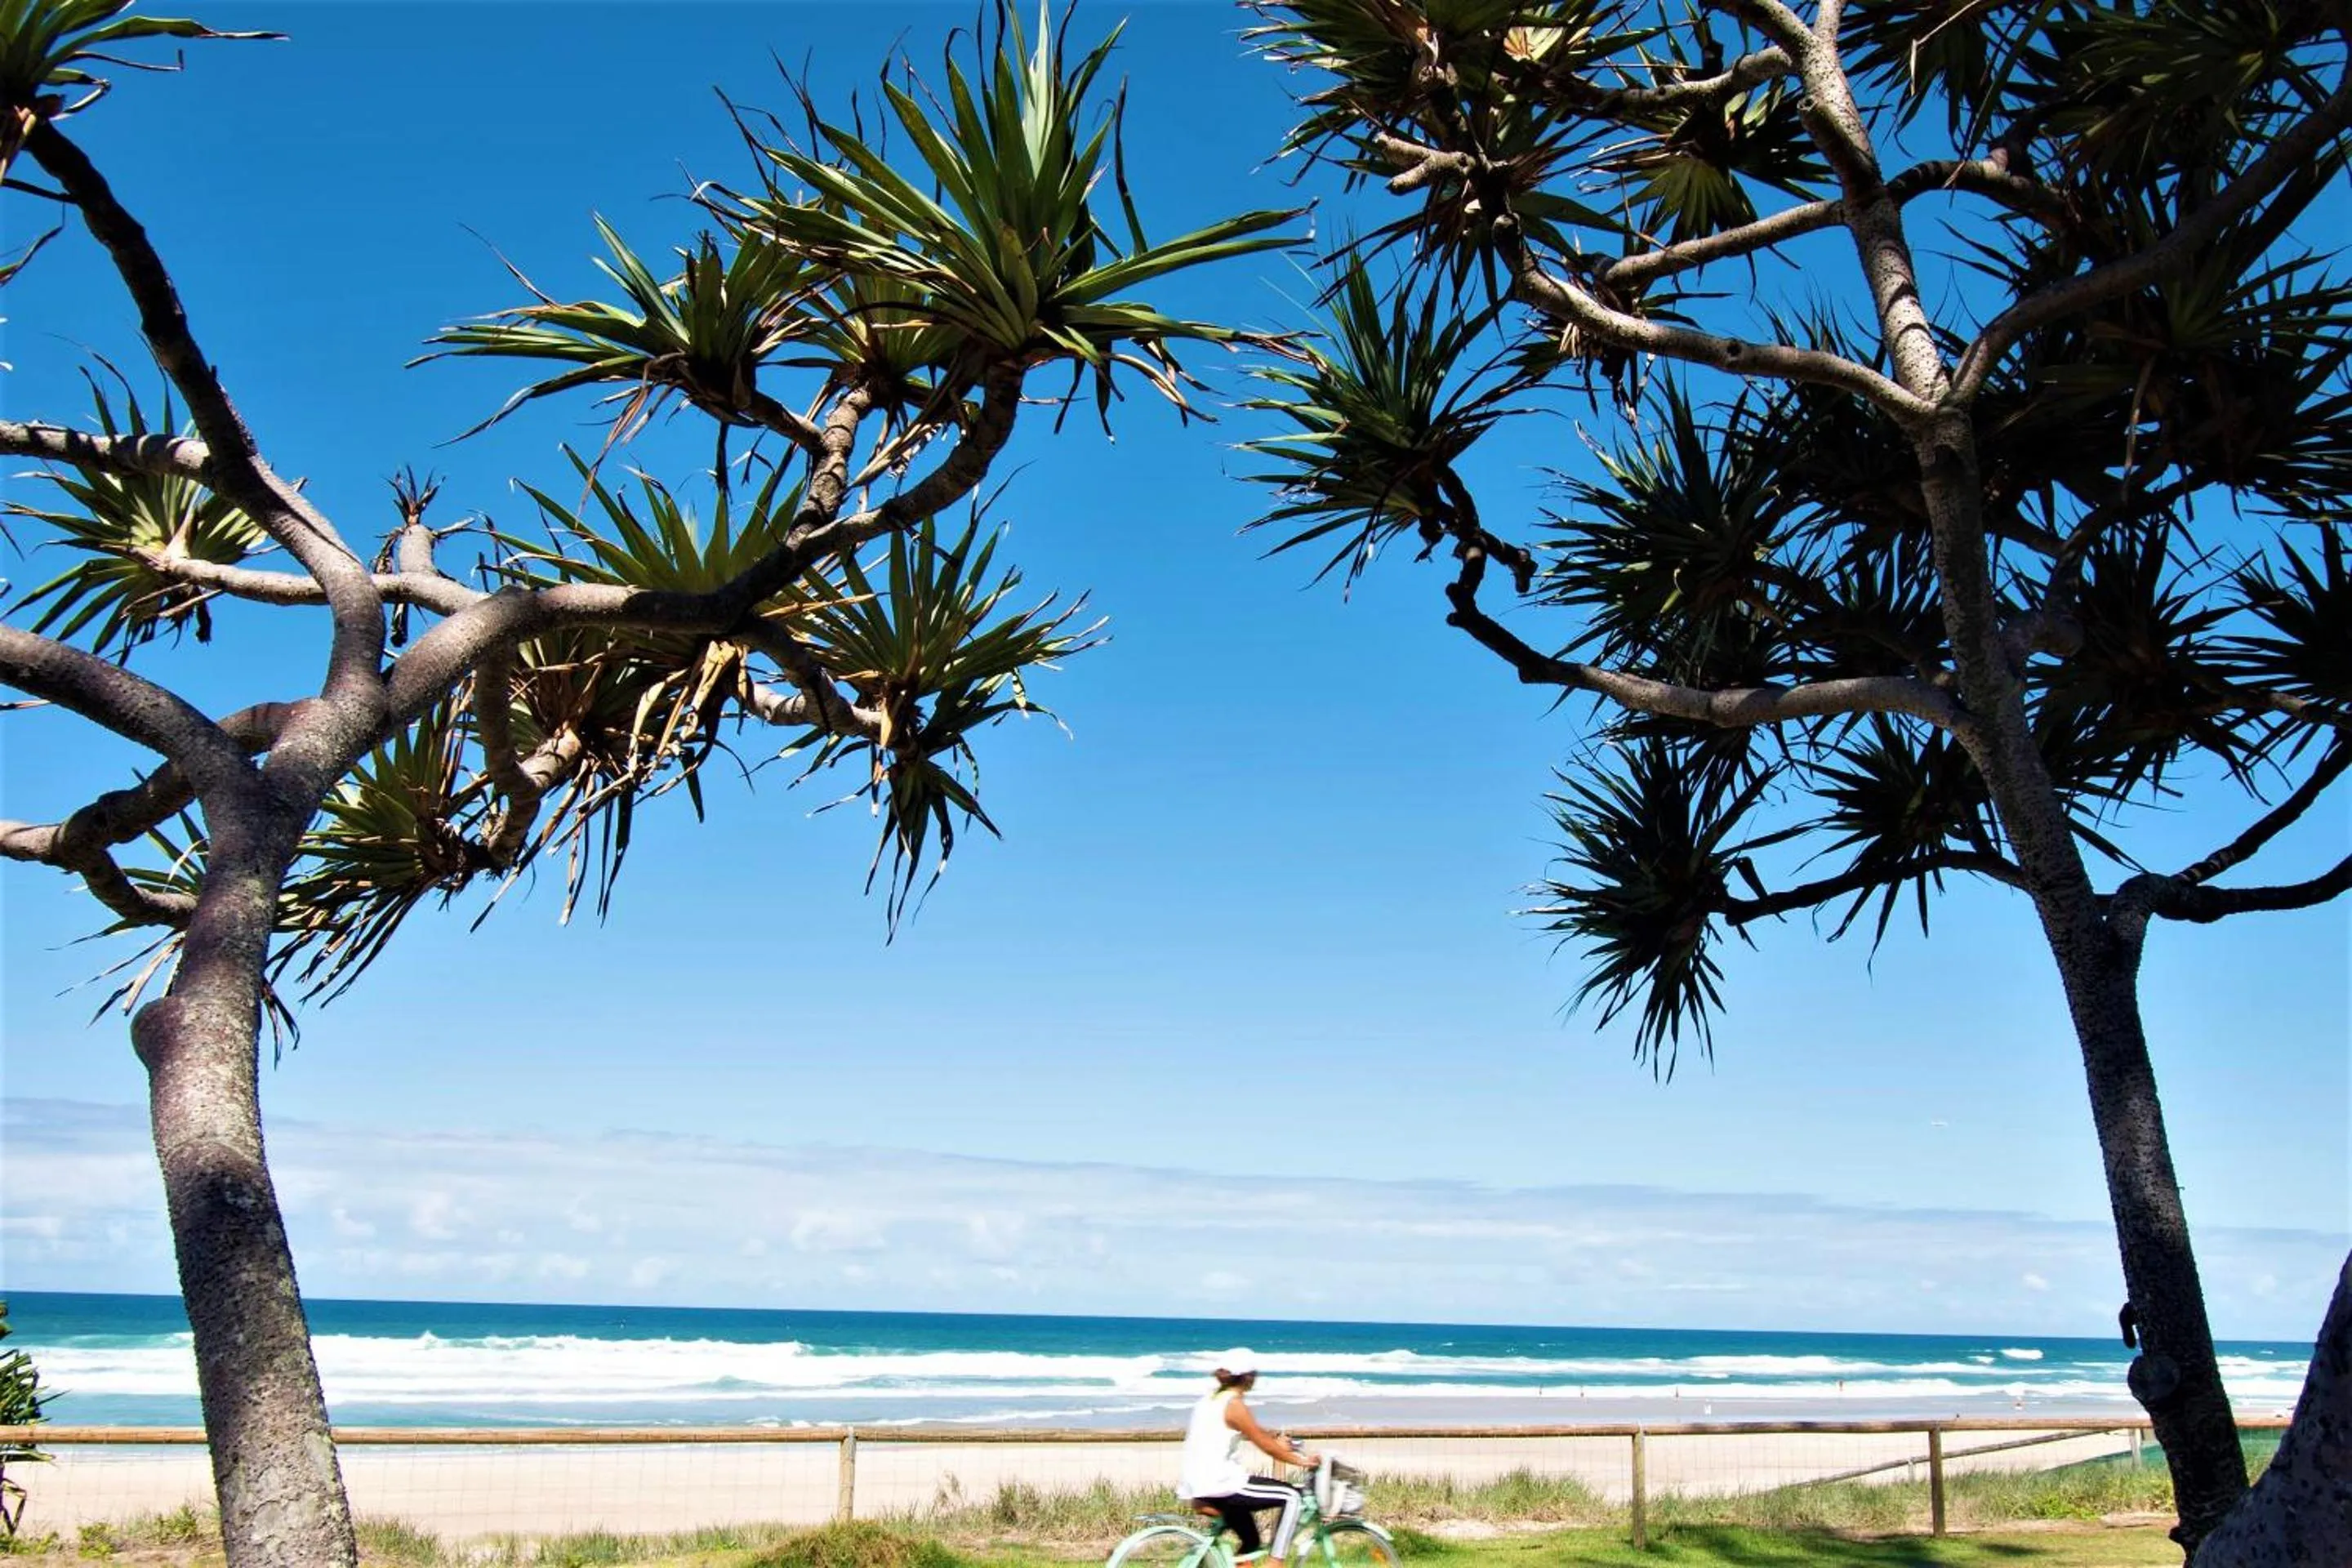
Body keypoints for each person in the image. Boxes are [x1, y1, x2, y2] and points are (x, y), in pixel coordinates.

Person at [1178, 1350, 1316, 1566]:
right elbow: (1264, 1445)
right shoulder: (1234, 1405)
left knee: (1251, 1541)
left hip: (1199, 1483)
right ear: (1248, 1378)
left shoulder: (1211, 1399)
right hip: (1223, 1484)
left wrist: (1275, 1440)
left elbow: (1252, 1432)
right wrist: (1302, 1461)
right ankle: (1275, 1563)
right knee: (1293, 1496)